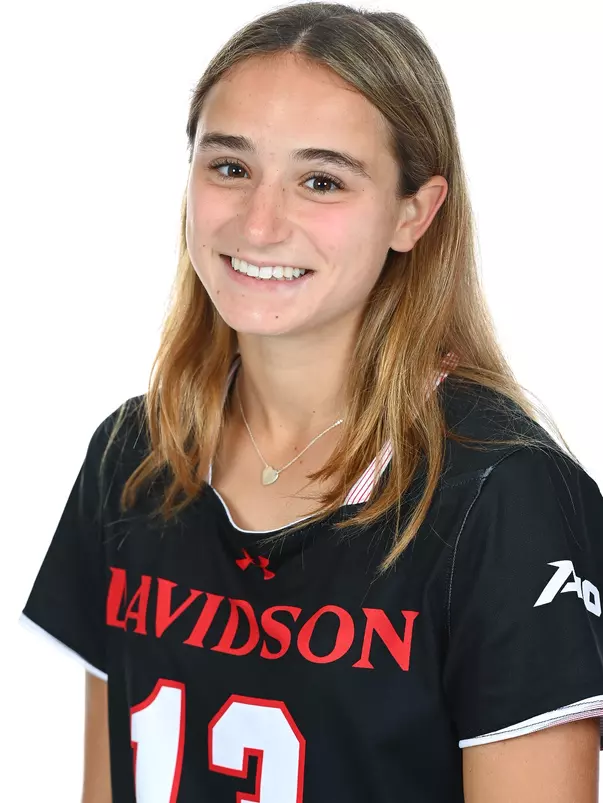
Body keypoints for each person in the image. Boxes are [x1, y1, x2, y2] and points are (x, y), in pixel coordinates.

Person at [20, 2, 603, 801]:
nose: (260, 223)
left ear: (413, 212)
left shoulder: (502, 496)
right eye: (229, 166)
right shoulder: (132, 453)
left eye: (320, 180)